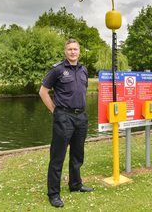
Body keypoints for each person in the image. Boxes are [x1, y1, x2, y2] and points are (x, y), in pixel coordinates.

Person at [39, 39, 93, 208]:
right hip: (64, 117)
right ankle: (53, 193)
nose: (72, 52)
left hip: (81, 117)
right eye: (69, 49)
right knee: (58, 156)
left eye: (75, 49)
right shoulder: (57, 70)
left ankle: (75, 184)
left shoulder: (83, 69)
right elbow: (43, 92)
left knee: (77, 154)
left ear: (79, 51)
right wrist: (55, 110)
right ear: (65, 51)